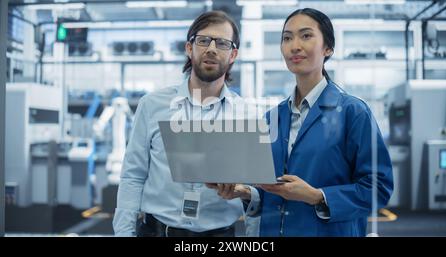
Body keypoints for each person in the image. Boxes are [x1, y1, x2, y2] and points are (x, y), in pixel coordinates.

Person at [212, 8, 393, 237]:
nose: (294, 45)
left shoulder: (353, 112)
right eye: (287, 38)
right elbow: (275, 188)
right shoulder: (271, 118)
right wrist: (246, 192)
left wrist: (317, 196)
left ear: (328, 48)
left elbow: (379, 188)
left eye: (306, 36)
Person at [113, 11, 253, 237]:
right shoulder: (152, 105)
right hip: (158, 231)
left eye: (223, 43)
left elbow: (256, 189)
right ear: (190, 48)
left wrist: (241, 189)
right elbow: (133, 175)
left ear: (233, 54)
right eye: (203, 40)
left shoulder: (247, 115)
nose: (212, 49)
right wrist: (124, 233)